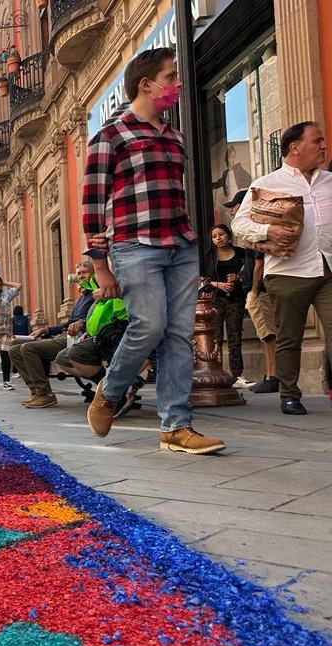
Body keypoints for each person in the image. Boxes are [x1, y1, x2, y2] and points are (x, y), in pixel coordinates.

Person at [82, 47, 224, 454]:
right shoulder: (109, 136)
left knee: (179, 336)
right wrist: (100, 266)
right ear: (147, 85)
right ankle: (110, 392)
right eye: (171, 77)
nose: (178, 84)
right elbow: (92, 205)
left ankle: (176, 427)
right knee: (149, 326)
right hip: (134, 247)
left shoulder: (176, 136)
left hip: (180, 245)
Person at [232, 122, 332, 415]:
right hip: (288, 271)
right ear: (295, 148)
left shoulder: (328, 181)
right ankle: (289, 393)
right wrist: (268, 232)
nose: (324, 146)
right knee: (290, 335)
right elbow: (239, 223)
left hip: (327, 268)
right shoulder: (267, 182)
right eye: (318, 141)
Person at [9, 261, 96, 408]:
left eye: (85, 273)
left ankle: (45, 394)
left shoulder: (96, 293)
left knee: (28, 349)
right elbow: (68, 323)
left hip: (77, 338)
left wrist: (80, 323)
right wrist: (45, 330)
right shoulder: (82, 296)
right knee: (14, 351)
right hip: (65, 336)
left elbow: (89, 320)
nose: (80, 276)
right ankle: (36, 391)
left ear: (94, 274)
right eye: (78, 273)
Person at [225, 189, 278, 394]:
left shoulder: (256, 227)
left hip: (260, 290)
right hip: (258, 288)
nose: (232, 210)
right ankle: (270, 375)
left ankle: (272, 376)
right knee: (266, 334)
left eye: (235, 206)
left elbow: (258, 263)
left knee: (267, 334)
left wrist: (254, 291)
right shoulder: (251, 228)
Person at [207, 224, 249, 388]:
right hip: (216, 300)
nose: (218, 238)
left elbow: (250, 272)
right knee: (216, 338)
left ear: (229, 236)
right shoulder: (209, 255)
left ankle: (237, 376)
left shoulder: (240, 253)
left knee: (234, 338)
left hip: (235, 299)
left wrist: (238, 279)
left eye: (221, 234)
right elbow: (201, 279)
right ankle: (216, 373)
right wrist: (218, 284)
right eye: (214, 236)